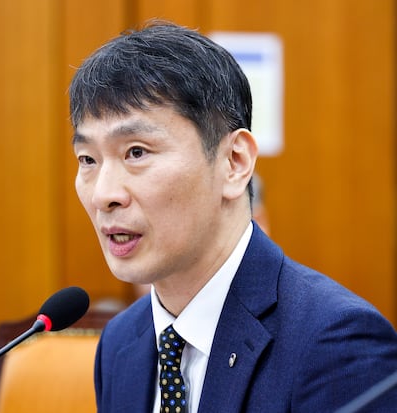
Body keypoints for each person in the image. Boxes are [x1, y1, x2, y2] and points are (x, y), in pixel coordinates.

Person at [68, 21, 397, 412]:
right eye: (87, 159)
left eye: (136, 152)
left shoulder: (336, 344)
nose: (103, 195)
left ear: (234, 162)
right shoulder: (121, 342)